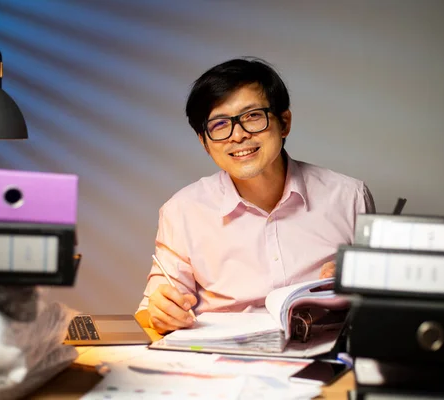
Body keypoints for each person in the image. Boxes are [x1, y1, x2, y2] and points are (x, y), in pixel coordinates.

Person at [135, 57, 375, 334]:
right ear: (204, 142)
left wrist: (360, 283)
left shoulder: (349, 197)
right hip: (220, 367)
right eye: (220, 124)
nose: (237, 136)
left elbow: (381, 305)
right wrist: (162, 310)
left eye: (252, 116)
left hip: (322, 363)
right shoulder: (182, 211)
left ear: (284, 122)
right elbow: (151, 312)